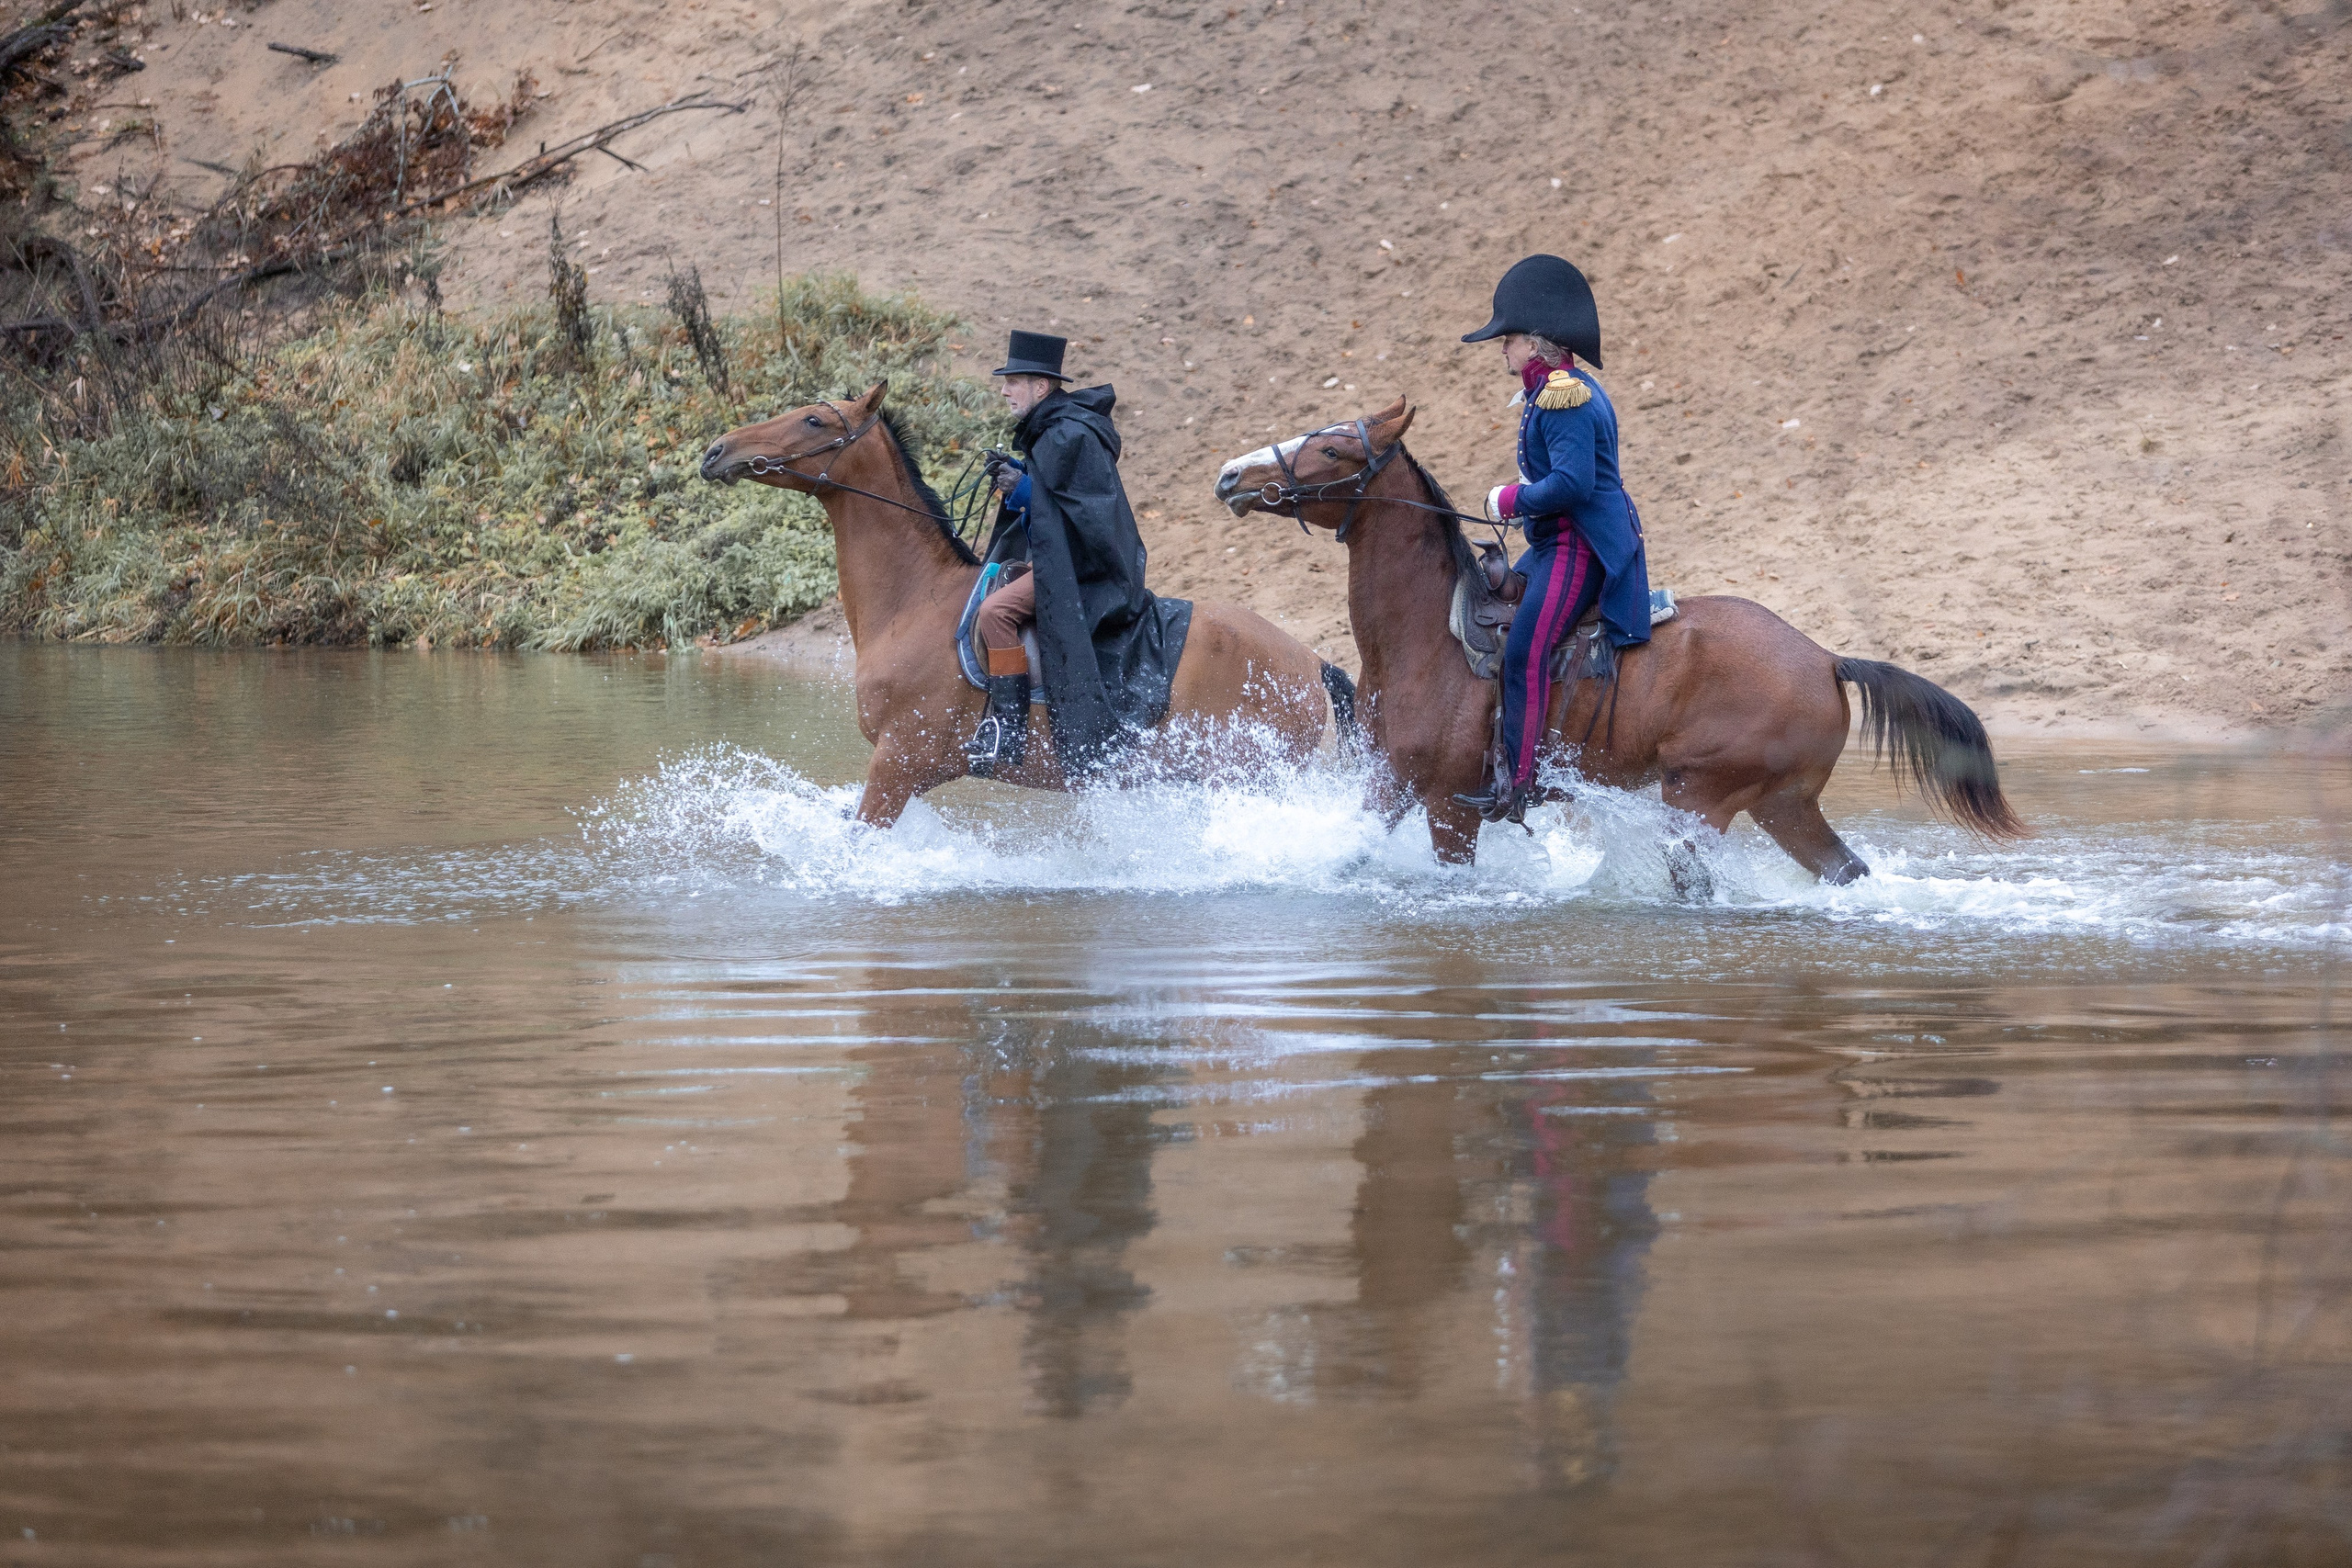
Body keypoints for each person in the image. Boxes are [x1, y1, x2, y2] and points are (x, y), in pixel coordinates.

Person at [1451, 255, 1652, 824]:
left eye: (1509, 338)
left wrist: (1510, 500)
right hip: (1555, 540)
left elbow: (1572, 483)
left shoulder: (1567, 397)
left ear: (1536, 344)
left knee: (1524, 653)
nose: (1503, 348)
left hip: (1579, 544)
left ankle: (1521, 783)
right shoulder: (1550, 391)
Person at [964, 329, 1193, 779]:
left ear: (1042, 387)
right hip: (1064, 558)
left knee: (993, 613)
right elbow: (1060, 498)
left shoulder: (1070, 435)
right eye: (1005, 381)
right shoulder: (1052, 431)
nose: (1005, 390)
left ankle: (1004, 732)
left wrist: (1026, 488)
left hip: (1091, 569)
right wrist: (1020, 477)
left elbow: (1089, 518)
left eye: (1015, 381)